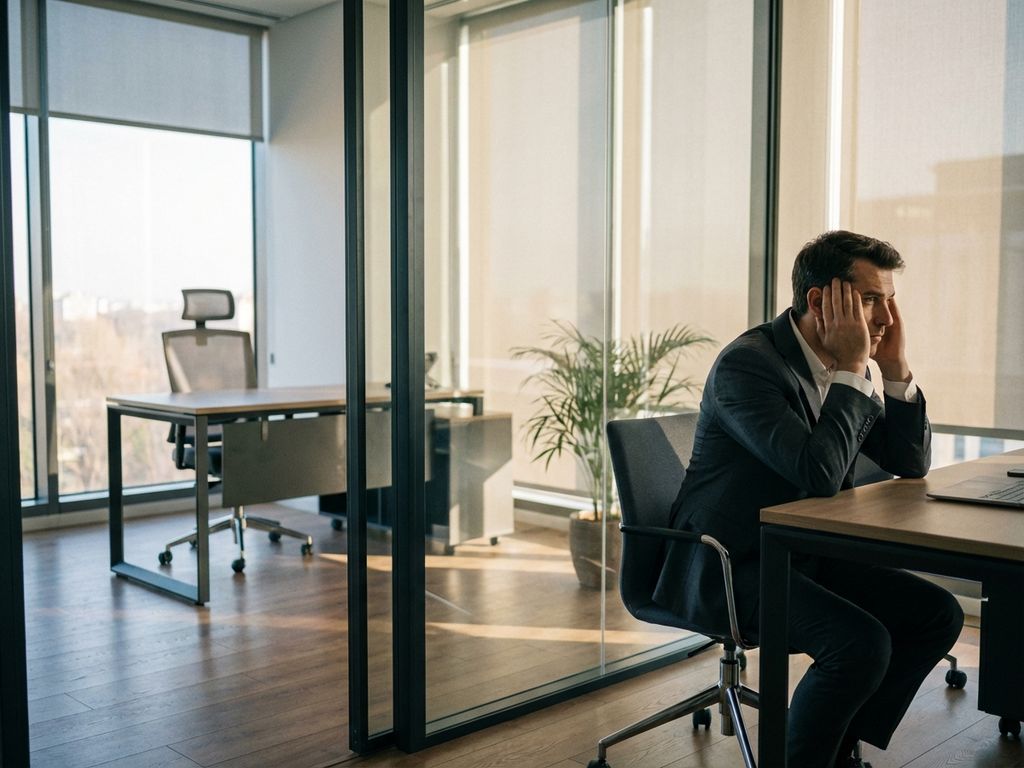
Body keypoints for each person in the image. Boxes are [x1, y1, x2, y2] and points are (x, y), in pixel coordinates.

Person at [653, 231, 964, 768]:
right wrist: (852, 370)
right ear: (820, 300)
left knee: (935, 613)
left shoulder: (844, 369)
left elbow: (909, 463)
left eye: (889, 299)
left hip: (803, 554)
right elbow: (818, 473)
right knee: (860, 645)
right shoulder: (748, 366)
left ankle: (833, 745)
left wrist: (893, 371)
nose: (886, 317)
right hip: (730, 563)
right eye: (870, 299)